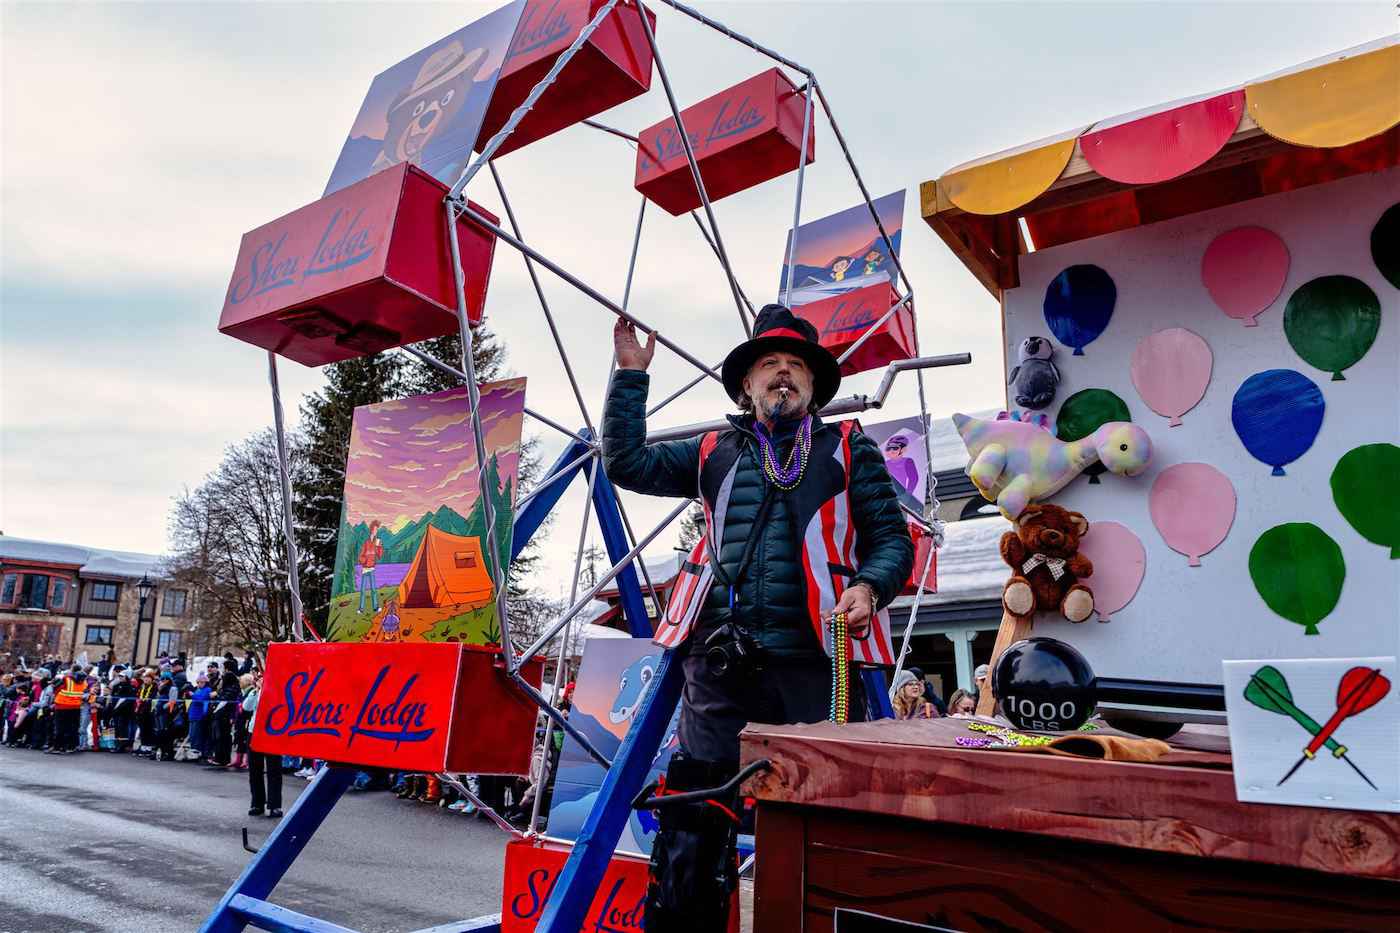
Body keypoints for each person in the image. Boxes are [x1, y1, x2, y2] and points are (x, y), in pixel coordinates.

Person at [604, 305, 913, 931]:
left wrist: (873, 589)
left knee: (817, 810)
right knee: (695, 809)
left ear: (813, 386)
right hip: (721, 662)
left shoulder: (850, 448)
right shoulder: (714, 451)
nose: (781, 374)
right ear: (746, 385)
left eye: (795, 365)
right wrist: (631, 377)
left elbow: (893, 543)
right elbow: (626, 462)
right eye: (768, 364)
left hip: (816, 662)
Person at [243, 671, 282, 817]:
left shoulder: (278, 690)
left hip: (272, 733)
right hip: (254, 732)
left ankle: (275, 805)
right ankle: (257, 803)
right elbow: (246, 707)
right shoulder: (256, 692)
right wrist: (256, 690)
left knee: (274, 770)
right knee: (255, 770)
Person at [188, 674, 212, 762]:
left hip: (199, 715)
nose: (200, 684)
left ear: (206, 682)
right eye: (198, 682)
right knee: (191, 735)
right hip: (192, 714)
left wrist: (193, 695)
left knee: (196, 734)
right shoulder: (197, 689)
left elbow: (202, 699)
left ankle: (196, 753)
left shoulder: (207, 690)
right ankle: (193, 752)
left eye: (202, 682)